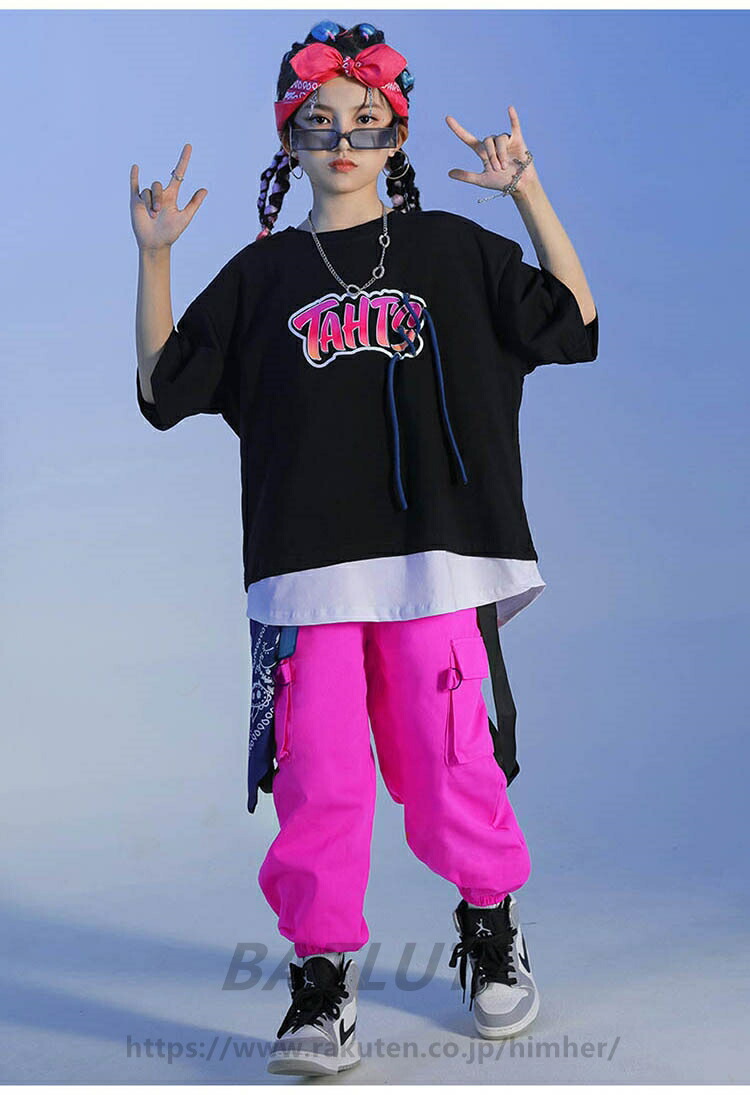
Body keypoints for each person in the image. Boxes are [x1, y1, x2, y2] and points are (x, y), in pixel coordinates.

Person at [130, 19, 598, 1078]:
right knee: (321, 776)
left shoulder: (450, 251)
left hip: (436, 558)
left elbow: (573, 323)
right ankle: (321, 977)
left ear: (396, 137)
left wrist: (528, 192)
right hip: (307, 573)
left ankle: (491, 924)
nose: (343, 141)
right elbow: (163, 391)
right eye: (320, 123)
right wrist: (155, 258)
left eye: (367, 122)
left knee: (447, 756)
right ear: (288, 138)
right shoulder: (262, 276)